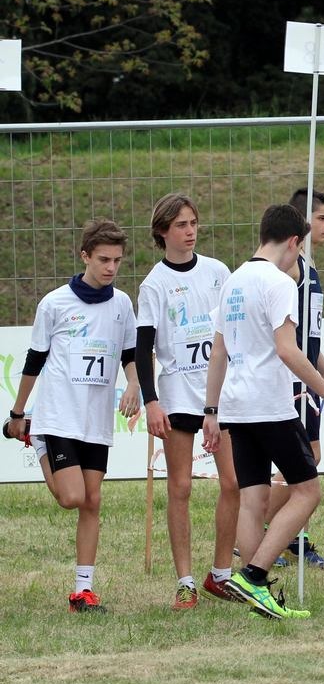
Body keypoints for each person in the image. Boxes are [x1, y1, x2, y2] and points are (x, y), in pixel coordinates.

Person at [202, 205, 324, 619]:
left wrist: (211, 410)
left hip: (236, 406)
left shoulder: (233, 281)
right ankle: (254, 576)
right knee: (308, 491)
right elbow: (288, 350)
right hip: (269, 404)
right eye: (299, 249)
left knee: (253, 498)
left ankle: (259, 594)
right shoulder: (280, 283)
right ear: (293, 242)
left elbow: (218, 351)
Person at [6, 221, 140, 612]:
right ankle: (38, 439)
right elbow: (34, 360)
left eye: (117, 260)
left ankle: (83, 590)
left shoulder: (122, 305)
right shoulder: (55, 303)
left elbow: (130, 355)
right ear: (85, 257)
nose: (111, 268)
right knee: (72, 497)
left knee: (92, 501)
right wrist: (18, 412)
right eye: (103, 260)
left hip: (95, 420)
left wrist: (134, 384)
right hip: (58, 417)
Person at [135, 194, 238, 609]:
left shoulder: (217, 272)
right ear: (163, 231)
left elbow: (234, 329)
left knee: (233, 483)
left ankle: (221, 574)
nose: (190, 231)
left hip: (219, 394)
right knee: (180, 487)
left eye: (193, 222)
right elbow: (143, 348)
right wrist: (151, 402)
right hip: (178, 394)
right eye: (181, 225)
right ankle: (185, 582)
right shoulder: (154, 284)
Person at [266, 187, 324, 568]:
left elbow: (307, 333)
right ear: (302, 222)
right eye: (322, 218)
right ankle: (258, 531)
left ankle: (294, 537)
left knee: (309, 459)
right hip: (291, 382)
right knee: (304, 460)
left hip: (309, 380)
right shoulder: (290, 267)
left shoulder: (308, 266)